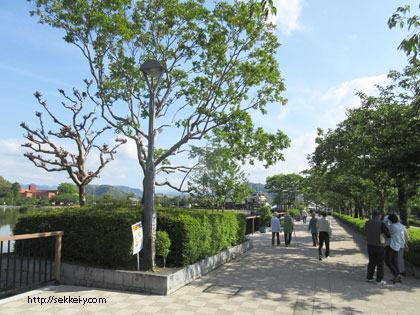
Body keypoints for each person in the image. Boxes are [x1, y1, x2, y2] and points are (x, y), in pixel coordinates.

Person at [365, 210, 391, 285]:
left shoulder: (367, 222)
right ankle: (379, 280)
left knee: (371, 262)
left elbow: (366, 232)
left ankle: (369, 277)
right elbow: (388, 234)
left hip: (370, 245)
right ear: (379, 216)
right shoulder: (381, 223)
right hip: (380, 245)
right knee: (380, 263)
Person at [386, 214, 405, 283]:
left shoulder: (392, 226)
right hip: (398, 245)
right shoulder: (400, 226)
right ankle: (398, 276)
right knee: (394, 261)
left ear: (390, 220)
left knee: (387, 261)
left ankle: (396, 275)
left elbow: (384, 229)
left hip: (391, 245)